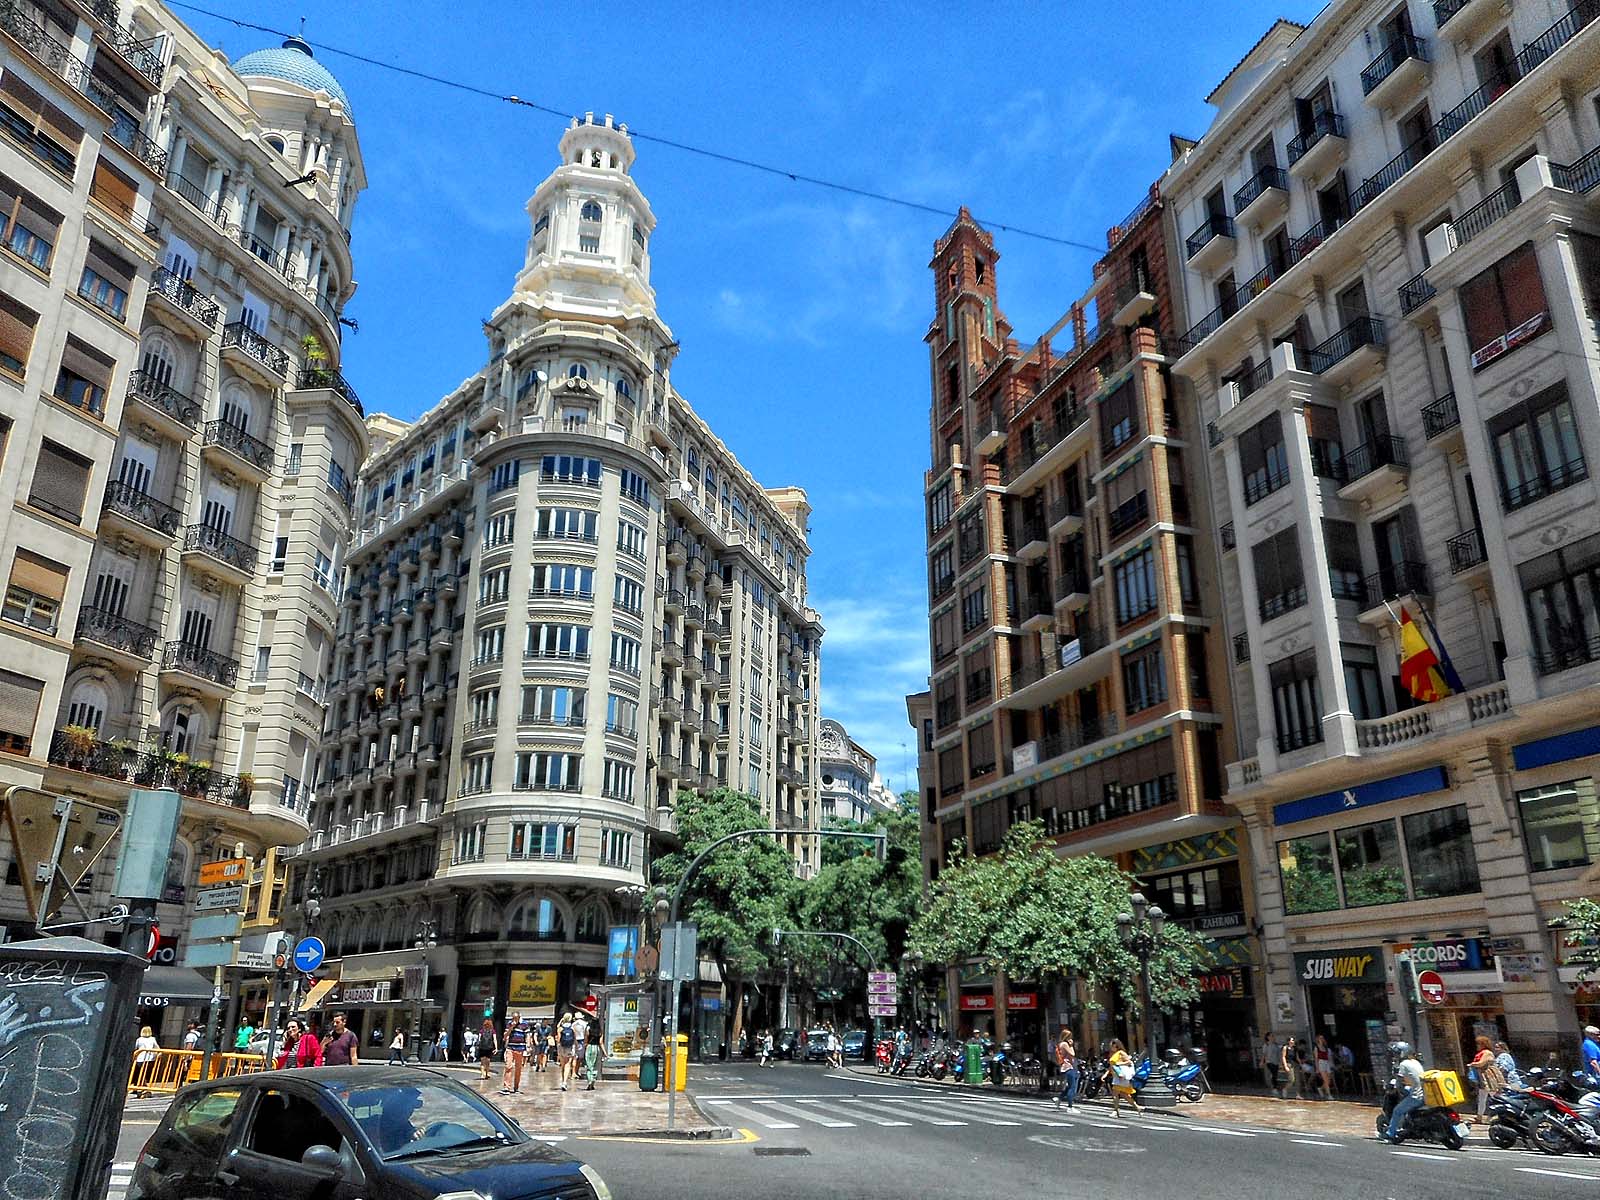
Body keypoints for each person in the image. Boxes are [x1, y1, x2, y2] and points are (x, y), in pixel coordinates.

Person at [1383, 1042, 1426, 1142]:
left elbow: (1399, 1083)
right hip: (1424, 1093)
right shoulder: (1415, 1062)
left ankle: (1390, 1133)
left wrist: (1396, 1088)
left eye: (1397, 1053)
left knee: (1397, 1111)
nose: (1395, 1055)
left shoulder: (1403, 1064)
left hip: (1416, 1096)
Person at [366, 1089, 423, 1155]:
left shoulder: (404, 1124)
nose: (410, 1111)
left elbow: (411, 1132)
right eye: (408, 1107)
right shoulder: (374, 1124)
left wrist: (416, 1135)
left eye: (412, 1108)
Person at [1468, 1034, 1506, 1121]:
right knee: (1482, 1098)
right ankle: (1479, 1117)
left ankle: (1501, 1115)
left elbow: (1481, 1063)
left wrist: (1472, 1064)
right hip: (1482, 1078)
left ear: (1483, 1044)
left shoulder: (1487, 1053)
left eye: (1479, 1044)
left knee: (1495, 1096)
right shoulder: (1482, 1053)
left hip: (1488, 1077)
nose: (1477, 1046)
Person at [1106, 1038, 1141, 1117]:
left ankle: (1115, 1111)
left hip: (1121, 1076)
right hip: (1117, 1076)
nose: (1111, 1047)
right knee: (1124, 1094)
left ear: (1116, 1045)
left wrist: (1119, 1064)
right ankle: (1137, 1107)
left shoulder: (1121, 1053)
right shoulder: (1114, 1054)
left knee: (1115, 1094)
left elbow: (1129, 1062)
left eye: (1112, 1045)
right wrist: (1106, 1074)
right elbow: (1112, 1066)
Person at [1053, 1028, 1080, 1111]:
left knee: (1070, 1086)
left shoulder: (1060, 1044)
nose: (1070, 1038)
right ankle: (1070, 1106)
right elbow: (1072, 1054)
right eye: (1069, 1036)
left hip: (1067, 1067)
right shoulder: (1064, 1044)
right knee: (1072, 1087)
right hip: (1068, 1067)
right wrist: (1071, 1046)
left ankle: (1059, 1099)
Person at [502, 1014, 528, 1095]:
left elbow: (527, 1036)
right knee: (508, 1066)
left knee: (518, 1068)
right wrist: (511, 1027)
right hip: (510, 1047)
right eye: (513, 1018)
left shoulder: (524, 1024)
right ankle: (506, 1087)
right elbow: (505, 1036)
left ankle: (516, 1087)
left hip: (520, 1048)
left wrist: (528, 1045)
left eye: (516, 1018)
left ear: (519, 1018)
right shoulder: (509, 1023)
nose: (514, 1020)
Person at [131, 1025, 160, 1096]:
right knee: (144, 1074)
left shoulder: (139, 1039)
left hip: (140, 1059)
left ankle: (144, 1089)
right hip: (150, 1059)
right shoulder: (152, 1039)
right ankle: (139, 1088)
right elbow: (157, 1048)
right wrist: (157, 1055)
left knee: (139, 1073)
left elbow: (135, 1048)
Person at [557, 1013, 578, 1091]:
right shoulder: (573, 1027)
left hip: (562, 1047)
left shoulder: (560, 1028)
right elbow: (575, 1038)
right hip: (570, 1047)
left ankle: (563, 1081)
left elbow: (558, 1040)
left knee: (563, 1065)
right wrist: (576, 1046)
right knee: (568, 1064)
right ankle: (565, 1082)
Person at [583, 1016, 602, 1090]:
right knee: (595, 1065)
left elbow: (586, 1039)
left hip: (589, 1047)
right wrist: (605, 1053)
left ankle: (590, 1081)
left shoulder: (588, 1029)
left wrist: (585, 1046)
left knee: (589, 1065)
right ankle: (593, 1080)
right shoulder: (600, 1031)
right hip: (596, 1048)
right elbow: (601, 1042)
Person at [1314, 1034, 1333, 1099]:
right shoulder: (1316, 1048)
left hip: (1326, 1062)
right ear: (1318, 1040)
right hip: (1321, 1062)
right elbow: (1316, 1058)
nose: (1322, 1039)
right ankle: (1329, 1094)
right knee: (1325, 1079)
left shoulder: (1326, 1047)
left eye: (1322, 1038)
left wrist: (1330, 1064)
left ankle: (1321, 1088)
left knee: (1329, 1079)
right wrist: (1317, 1068)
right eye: (1320, 1038)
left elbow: (1329, 1057)